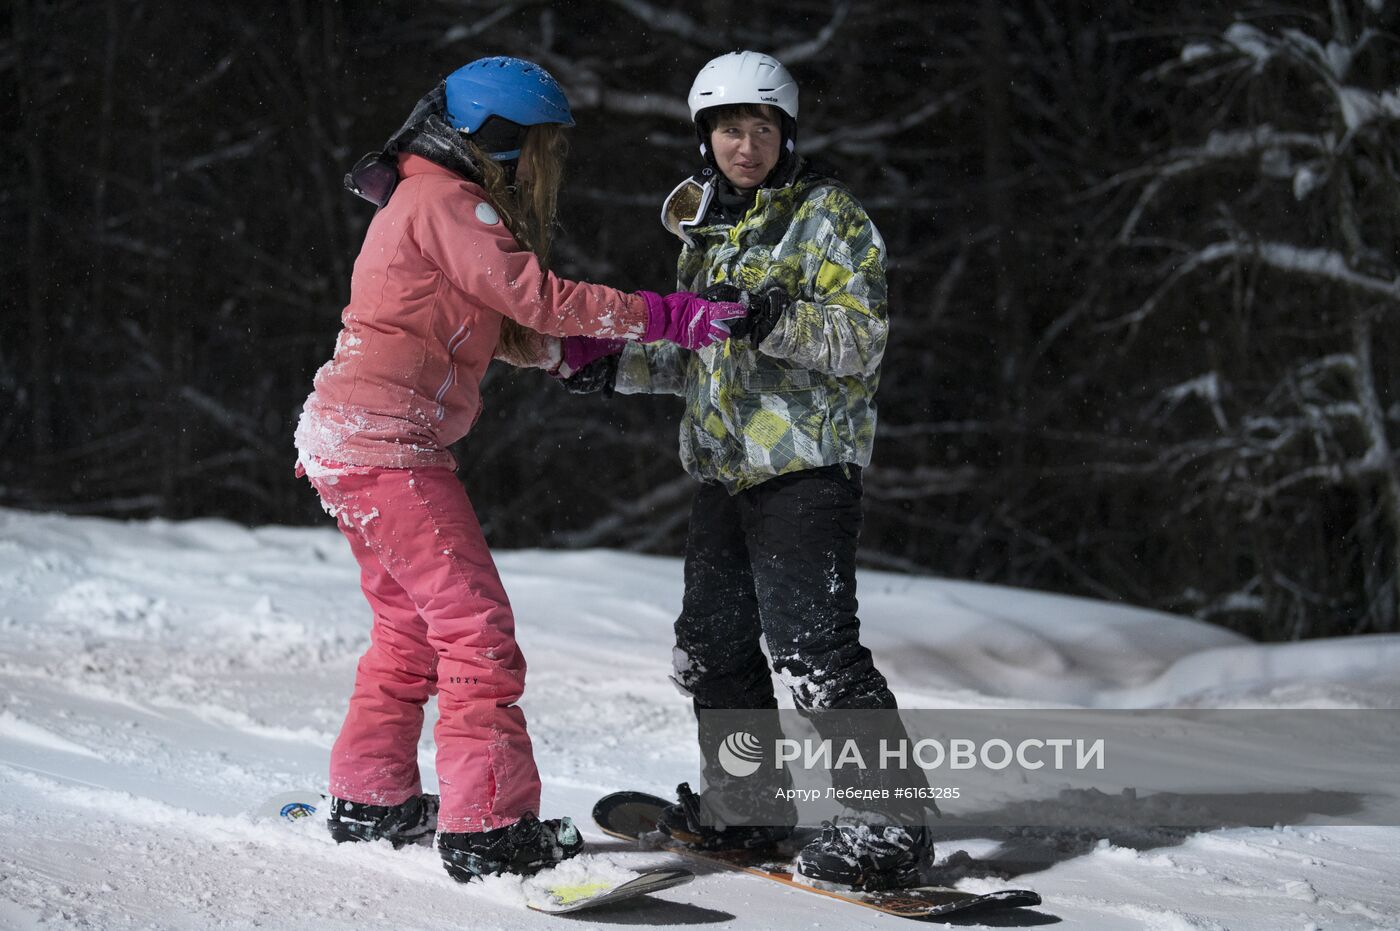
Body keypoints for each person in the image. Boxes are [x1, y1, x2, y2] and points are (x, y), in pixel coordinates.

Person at [293, 56, 746, 883]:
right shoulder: (446, 198)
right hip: (386, 445)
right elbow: (535, 296)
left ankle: (372, 797)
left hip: (347, 438)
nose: (544, 169)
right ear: (501, 142)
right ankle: (490, 827)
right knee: (477, 632)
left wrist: (580, 350)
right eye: (539, 150)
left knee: (410, 630)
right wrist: (664, 315)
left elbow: (500, 322)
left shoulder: (422, 196)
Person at [557, 50, 932, 891]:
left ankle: (890, 828)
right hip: (725, 471)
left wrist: (771, 315)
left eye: (762, 128)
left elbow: (860, 341)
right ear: (706, 138)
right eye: (730, 128)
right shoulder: (708, 231)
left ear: (786, 134)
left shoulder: (830, 217)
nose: (745, 145)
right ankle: (749, 805)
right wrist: (612, 367)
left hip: (804, 468)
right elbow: (698, 357)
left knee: (814, 649)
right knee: (715, 644)